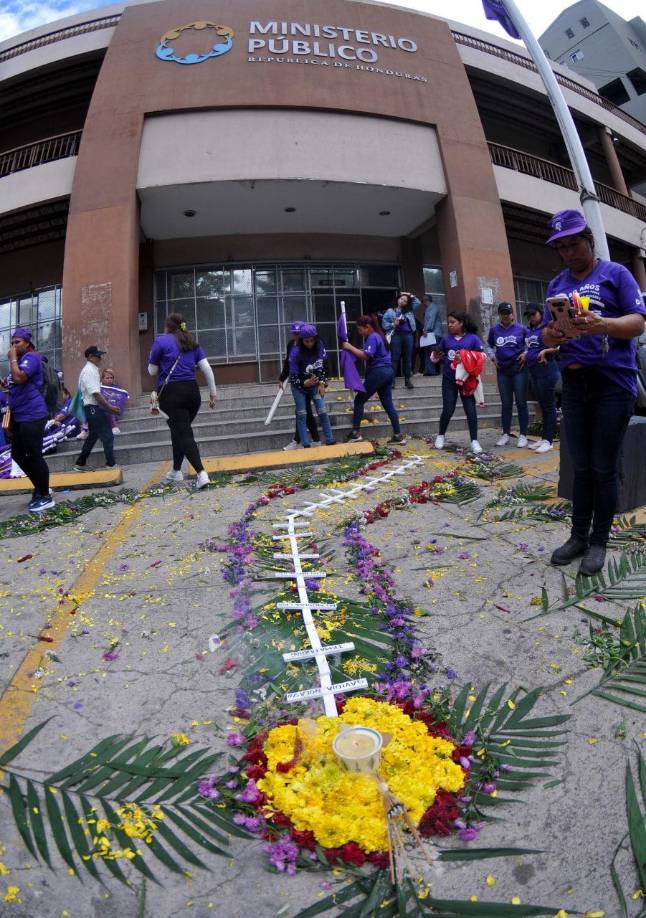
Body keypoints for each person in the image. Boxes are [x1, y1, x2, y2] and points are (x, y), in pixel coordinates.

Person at [542, 209, 646, 575]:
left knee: (604, 466)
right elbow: (545, 333)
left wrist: (603, 324)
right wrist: (555, 333)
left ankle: (599, 541)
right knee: (581, 465)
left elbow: (637, 322)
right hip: (573, 384)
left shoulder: (616, 274)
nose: (570, 252)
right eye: (562, 247)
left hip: (612, 384)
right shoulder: (557, 284)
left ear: (589, 240)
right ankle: (578, 536)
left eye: (575, 243)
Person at [148, 313, 217, 487]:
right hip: (193, 393)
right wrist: (213, 393)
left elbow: (152, 371)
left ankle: (201, 474)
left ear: (167, 326)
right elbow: (206, 368)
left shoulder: (161, 341)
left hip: (172, 394)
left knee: (183, 433)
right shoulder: (192, 342)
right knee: (178, 431)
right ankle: (176, 471)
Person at [6, 327, 53, 512]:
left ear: (27, 343)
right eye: (12, 343)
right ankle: (40, 487)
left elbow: (19, 377)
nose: (13, 346)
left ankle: (46, 496)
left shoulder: (32, 358)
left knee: (34, 455)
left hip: (33, 414)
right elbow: (15, 382)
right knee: (17, 454)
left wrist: (12, 359)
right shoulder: (20, 360)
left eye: (17, 342)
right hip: (20, 415)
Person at [341, 314, 406, 445]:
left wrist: (349, 347)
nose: (360, 333)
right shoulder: (379, 336)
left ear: (368, 327)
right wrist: (354, 349)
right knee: (388, 404)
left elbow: (365, 355)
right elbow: (369, 352)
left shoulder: (372, 337)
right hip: (388, 372)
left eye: (360, 330)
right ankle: (398, 435)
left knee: (359, 400)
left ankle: (355, 433)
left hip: (378, 372)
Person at [431, 311, 483, 454]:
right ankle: (440, 435)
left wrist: (466, 357)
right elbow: (436, 356)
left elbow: (481, 356)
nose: (449, 325)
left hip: (467, 380)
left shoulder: (473, 339)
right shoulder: (446, 340)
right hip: (449, 379)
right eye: (448, 322)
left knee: (470, 409)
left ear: (461, 323)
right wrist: (435, 355)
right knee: (448, 409)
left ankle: (474, 441)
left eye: (452, 322)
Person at [487, 302, 529, 448]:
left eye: (508, 312)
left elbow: (532, 344)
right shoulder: (494, 330)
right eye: (503, 313)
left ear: (513, 314)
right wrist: (493, 357)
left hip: (519, 369)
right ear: (499, 314)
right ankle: (505, 434)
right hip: (502, 371)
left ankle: (523, 435)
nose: (506, 315)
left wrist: (525, 353)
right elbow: (488, 345)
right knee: (506, 403)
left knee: (521, 402)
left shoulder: (522, 329)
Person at [73, 346, 121, 472]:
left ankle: (80, 463)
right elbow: (96, 393)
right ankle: (111, 464)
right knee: (107, 435)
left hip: (91, 408)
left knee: (93, 436)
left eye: (100, 355)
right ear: (89, 357)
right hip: (93, 407)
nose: (100, 358)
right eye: (97, 355)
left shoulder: (90, 370)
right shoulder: (90, 371)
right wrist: (110, 408)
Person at [287, 323, 335, 447]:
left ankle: (330, 440)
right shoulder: (295, 352)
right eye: (306, 341)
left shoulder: (319, 345)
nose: (309, 344)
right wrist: (303, 383)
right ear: (302, 340)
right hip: (299, 387)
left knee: (322, 410)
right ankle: (306, 444)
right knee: (302, 414)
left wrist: (322, 383)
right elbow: (292, 376)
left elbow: (322, 365)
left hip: (314, 384)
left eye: (312, 341)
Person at [523, 303, 559, 454]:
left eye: (533, 314)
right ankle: (544, 438)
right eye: (529, 315)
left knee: (549, 406)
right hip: (534, 371)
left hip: (547, 370)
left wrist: (546, 351)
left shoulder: (548, 327)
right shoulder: (531, 330)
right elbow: (531, 347)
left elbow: (560, 346)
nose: (531, 317)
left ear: (540, 313)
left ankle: (549, 441)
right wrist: (525, 354)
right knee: (542, 406)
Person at [279, 321, 320, 450]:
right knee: (304, 411)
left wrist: (322, 381)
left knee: (303, 411)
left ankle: (299, 440)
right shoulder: (291, 345)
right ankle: (313, 439)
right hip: (298, 383)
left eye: (298, 333)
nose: (296, 336)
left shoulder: (310, 344)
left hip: (310, 383)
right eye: (294, 334)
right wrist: (282, 378)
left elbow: (320, 361)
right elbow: (288, 363)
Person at [382, 292, 419, 389]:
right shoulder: (390, 311)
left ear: (407, 303)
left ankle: (407, 380)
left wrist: (408, 294)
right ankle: (392, 381)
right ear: (398, 299)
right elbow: (384, 324)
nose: (402, 301)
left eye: (405, 301)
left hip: (408, 335)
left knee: (408, 358)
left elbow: (417, 302)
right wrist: (393, 324)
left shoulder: (409, 310)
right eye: (401, 299)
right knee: (394, 358)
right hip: (396, 335)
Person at [100, 367, 127, 435]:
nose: (109, 380)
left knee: (111, 402)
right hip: (100, 412)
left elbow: (120, 400)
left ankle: (114, 426)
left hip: (114, 412)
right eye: (107, 378)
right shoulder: (99, 388)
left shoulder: (116, 388)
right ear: (102, 379)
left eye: (111, 378)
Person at [420, 295, 443, 376]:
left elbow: (431, 320)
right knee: (433, 351)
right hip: (433, 333)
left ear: (426, 300)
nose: (423, 303)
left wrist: (426, 329)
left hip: (433, 334)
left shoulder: (433, 307)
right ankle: (433, 371)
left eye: (423, 301)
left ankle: (431, 371)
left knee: (431, 352)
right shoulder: (431, 308)